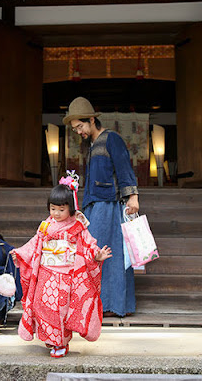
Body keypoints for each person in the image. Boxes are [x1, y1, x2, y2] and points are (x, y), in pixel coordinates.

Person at [10, 179, 112, 358]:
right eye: (53, 208)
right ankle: (52, 339)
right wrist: (20, 253)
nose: (56, 213)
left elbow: (88, 245)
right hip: (45, 273)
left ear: (71, 208)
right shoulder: (46, 226)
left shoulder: (78, 226)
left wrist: (97, 255)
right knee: (42, 306)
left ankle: (61, 343)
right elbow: (35, 244)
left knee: (60, 310)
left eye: (61, 209)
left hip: (66, 275)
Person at [63, 96, 139, 318]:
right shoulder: (93, 145)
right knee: (92, 253)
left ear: (91, 120)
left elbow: (124, 168)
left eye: (80, 126)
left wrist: (132, 197)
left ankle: (111, 304)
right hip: (94, 206)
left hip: (110, 205)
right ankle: (94, 303)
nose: (78, 132)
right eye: (75, 129)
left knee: (108, 253)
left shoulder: (111, 139)